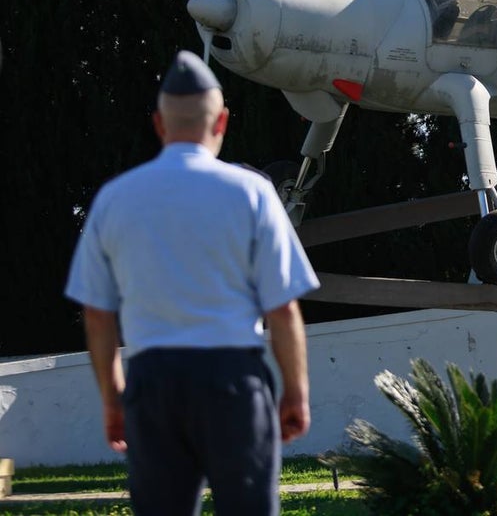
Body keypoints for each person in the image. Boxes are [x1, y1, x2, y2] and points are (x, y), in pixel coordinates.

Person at [65, 50, 320, 515]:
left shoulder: (114, 199)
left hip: (152, 382)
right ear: (220, 122)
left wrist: (113, 397)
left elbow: (98, 314)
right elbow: (282, 308)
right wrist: (296, 392)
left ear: (159, 126)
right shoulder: (253, 193)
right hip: (233, 382)